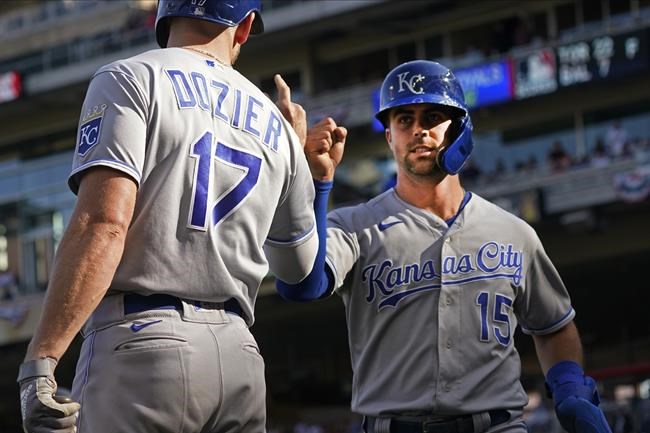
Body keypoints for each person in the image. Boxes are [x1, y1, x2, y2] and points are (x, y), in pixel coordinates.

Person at [17, 1, 323, 432]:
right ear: (245, 26)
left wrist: (42, 358)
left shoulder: (131, 76)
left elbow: (104, 224)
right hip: (240, 356)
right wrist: (297, 160)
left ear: (164, 15)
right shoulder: (280, 127)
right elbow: (299, 272)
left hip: (144, 342)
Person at [276, 60, 612, 433]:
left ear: (460, 129)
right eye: (404, 120)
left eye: (432, 116)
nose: (418, 130)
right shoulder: (354, 227)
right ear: (389, 136)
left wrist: (569, 387)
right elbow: (301, 285)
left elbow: (553, 326)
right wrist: (316, 182)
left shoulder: (513, 232)